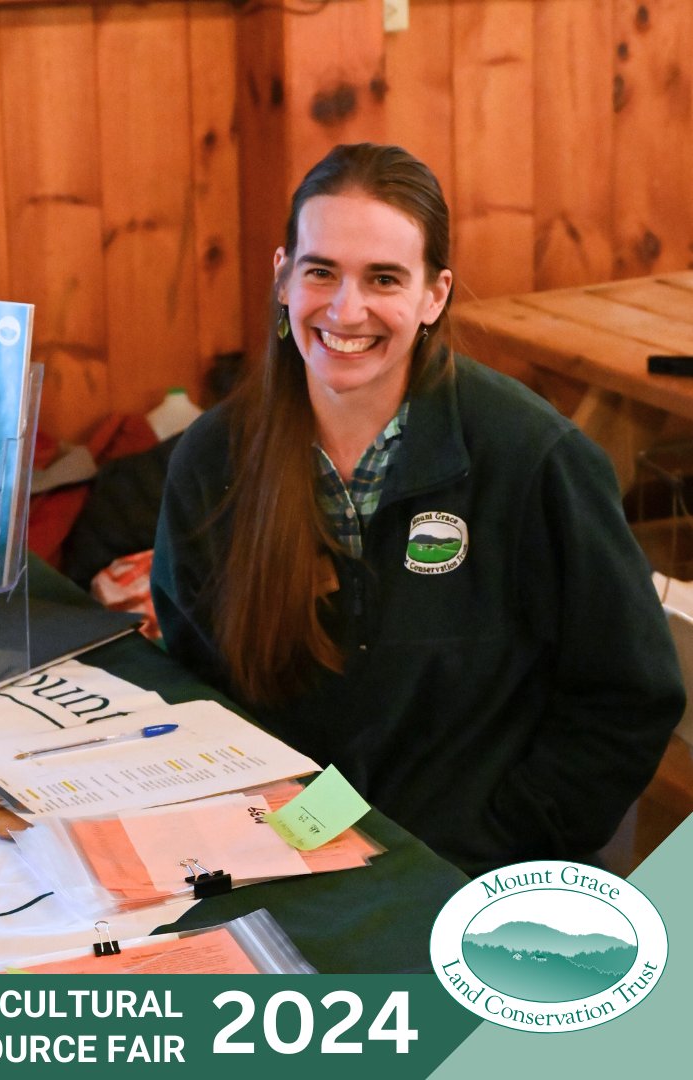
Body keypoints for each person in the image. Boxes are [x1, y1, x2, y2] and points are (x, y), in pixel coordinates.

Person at [150, 142, 685, 876]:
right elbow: (198, 684)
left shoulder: (537, 461)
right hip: (280, 859)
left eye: (383, 279)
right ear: (281, 277)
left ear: (434, 295)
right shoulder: (212, 460)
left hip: (480, 871)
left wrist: (497, 835)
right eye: (320, 272)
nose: (346, 309)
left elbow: (629, 698)